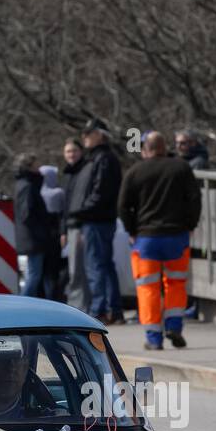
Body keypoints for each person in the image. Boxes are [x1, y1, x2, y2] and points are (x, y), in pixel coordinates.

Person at [118, 131, 202, 350]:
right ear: (165, 147)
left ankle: (154, 338)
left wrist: (131, 229)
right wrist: (190, 225)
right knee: (176, 283)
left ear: (146, 149)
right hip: (177, 236)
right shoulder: (181, 168)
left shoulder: (135, 172)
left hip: (146, 239)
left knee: (148, 288)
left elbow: (123, 206)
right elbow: (194, 199)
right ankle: (174, 326)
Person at [68, 118, 125, 324]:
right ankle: (113, 310)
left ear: (99, 135)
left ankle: (98, 311)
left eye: (88, 133)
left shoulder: (103, 159)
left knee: (96, 266)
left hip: (97, 220)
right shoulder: (100, 158)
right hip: (98, 218)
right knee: (104, 265)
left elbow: (100, 192)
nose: (84, 138)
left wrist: (81, 211)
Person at [12, 153, 52, 298]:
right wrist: (41, 228)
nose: (39, 168)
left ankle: (25, 303)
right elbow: (26, 213)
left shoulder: (25, 184)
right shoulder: (27, 186)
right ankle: (23, 304)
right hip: (33, 237)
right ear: (29, 167)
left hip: (31, 236)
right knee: (34, 275)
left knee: (33, 273)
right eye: (36, 165)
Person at [59, 138, 89, 311]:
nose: (71, 154)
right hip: (69, 226)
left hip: (80, 225)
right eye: (68, 151)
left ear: (81, 152)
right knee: (74, 269)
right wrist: (63, 231)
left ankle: (79, 307)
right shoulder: (67, 175)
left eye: (74, 151)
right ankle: (78, 303)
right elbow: (65, 206)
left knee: (78, 269)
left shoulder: (84, 171)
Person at [39, 164, 67, 302]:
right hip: (55, 236)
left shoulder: (38, 192)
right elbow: (63, 214)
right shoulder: (58, 193)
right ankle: (54, 298)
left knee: (42, 272)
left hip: (41, 237)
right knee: (53, 271)